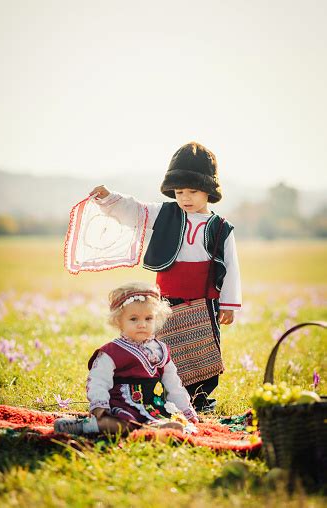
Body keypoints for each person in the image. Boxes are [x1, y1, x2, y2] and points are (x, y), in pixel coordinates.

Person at [65, 141, 242, 412]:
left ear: (208, 190)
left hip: (205, 301)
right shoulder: (166, 214)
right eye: (179, 191)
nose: (185, 197)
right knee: (165, 348)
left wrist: (229, 305)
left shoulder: (221, 228)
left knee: (203, 349)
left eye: (192, 191)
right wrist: (110, 198)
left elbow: (230, 268)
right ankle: (169, 394)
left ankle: (201, 398)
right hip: (167, 298)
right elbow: (135, 211)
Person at [54, 282, 198, 436]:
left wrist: (185, 409)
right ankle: (86, 426)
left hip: (153, 406)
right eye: (134, 319)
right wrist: (99, 404)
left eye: (148, 318)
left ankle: (153, 429)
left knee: (171, 422)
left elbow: (173, 384)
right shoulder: (112, 351)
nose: (142, 324)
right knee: (121, 425)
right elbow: (98, 380)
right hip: (123, 406)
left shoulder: (161, 350)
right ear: (119, 321)